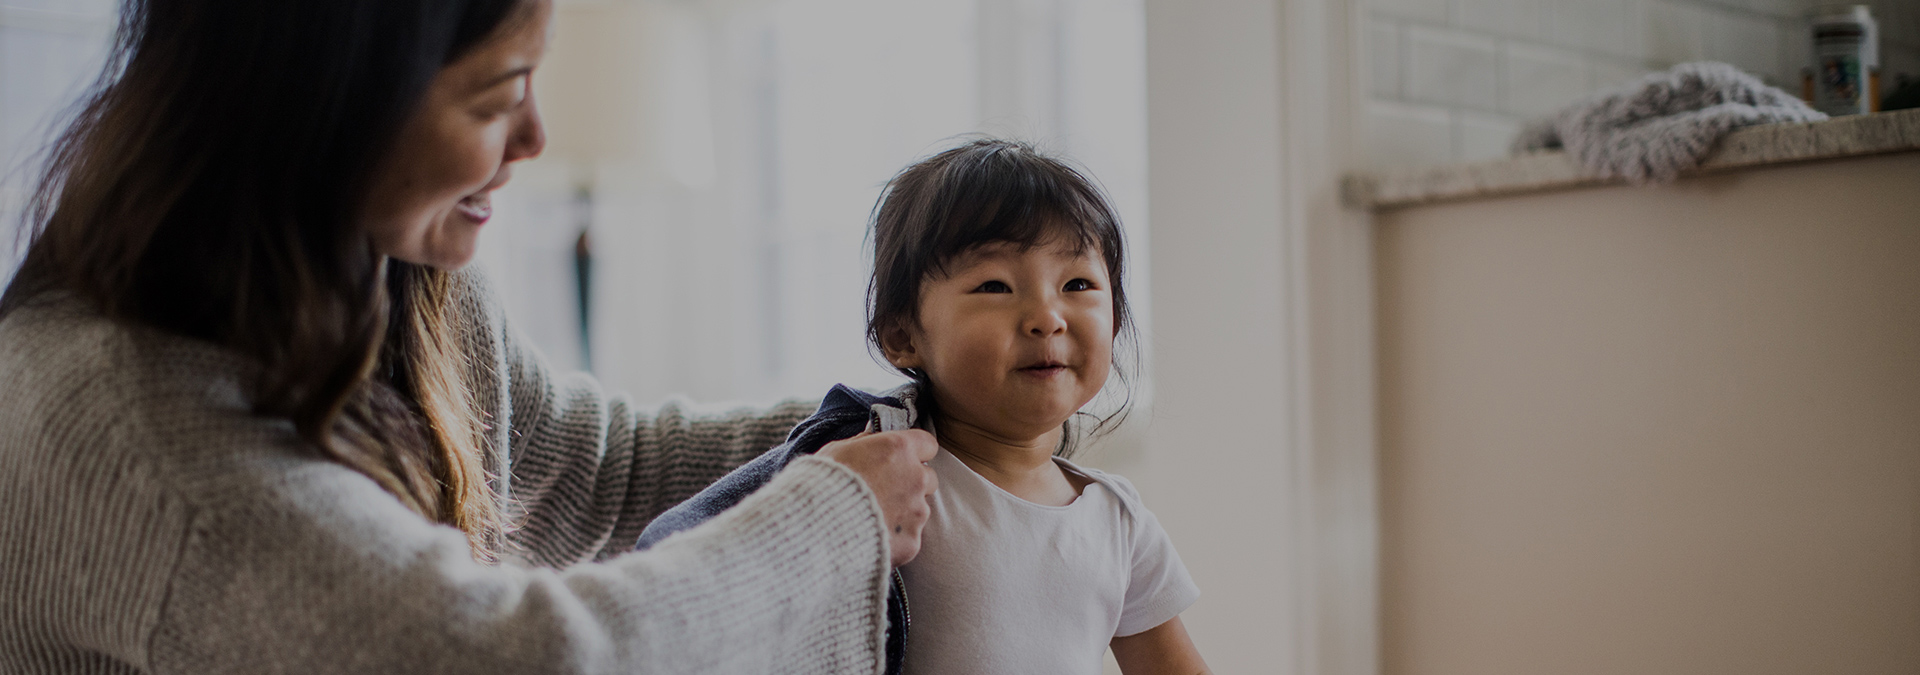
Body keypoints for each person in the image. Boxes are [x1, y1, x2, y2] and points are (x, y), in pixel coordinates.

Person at [0, 1, 936, 673]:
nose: (534, 135)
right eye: (495, 97)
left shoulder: (408, 282)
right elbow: (513, 655)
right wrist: (831, 516)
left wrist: (901, 420)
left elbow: (596, 468)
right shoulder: (129, 427)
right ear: (329, 107)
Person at [634, 139, 1211, 674]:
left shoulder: (1117, 521)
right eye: (994, 286)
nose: (1047, 316)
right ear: (903, 335)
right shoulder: (875, 468)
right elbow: (679, 543)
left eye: (1079, 284)